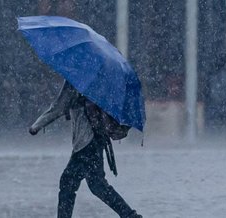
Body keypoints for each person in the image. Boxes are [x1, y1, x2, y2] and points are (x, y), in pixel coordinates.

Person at [29, 80, 142, 218]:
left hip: (86, 142)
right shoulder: (98, 80)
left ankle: (130, 216)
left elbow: (58, 107)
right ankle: (130, 216)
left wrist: (36, 126)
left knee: (68, 182)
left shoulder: (75, 79)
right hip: (97, 139)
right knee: (97, 185)